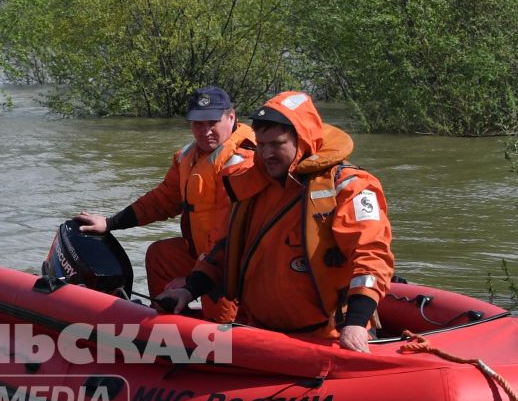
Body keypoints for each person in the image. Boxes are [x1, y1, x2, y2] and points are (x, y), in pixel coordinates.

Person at [157, 91, 391, 352]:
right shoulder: (251, 184)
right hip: (260, 334)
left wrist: (357, 323)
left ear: (302, 141)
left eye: (276, 144)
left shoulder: (348, 187)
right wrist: (188, 290)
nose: (266, 153)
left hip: (327, 339)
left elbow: (372, 257)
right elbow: (221, 250)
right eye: (262, 144)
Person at [74, 85, 264, 300]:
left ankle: (203, 318)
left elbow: (228, 232)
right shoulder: (187, 156)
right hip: (202, 254)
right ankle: (165, 315)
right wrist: (110, 223)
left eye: (213, 123)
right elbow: (162, 200)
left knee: (219, 310)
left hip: (231, 263)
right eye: (198, 124)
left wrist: (194, 282)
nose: (205, 131)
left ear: (231, 117)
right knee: (160, 256)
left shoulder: (243, 163)